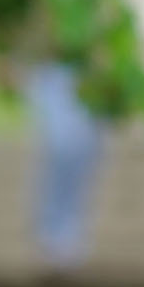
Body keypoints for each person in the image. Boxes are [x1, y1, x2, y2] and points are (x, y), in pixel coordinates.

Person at [23, 61, 104, 271]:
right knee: (60, 147)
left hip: (90, 76)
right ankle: (53, 236)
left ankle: (66, 237)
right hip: (57, 70)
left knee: (82, 152)